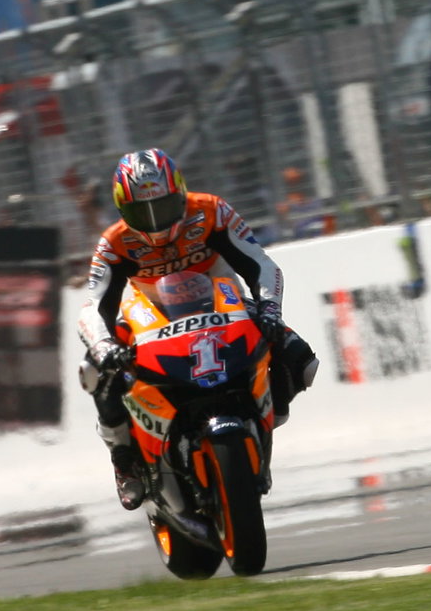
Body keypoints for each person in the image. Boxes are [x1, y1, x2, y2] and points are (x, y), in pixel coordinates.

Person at [76, 148, 320, 510]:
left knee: (301, 358)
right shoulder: (114, 241)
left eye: (164, 207)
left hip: (221, 296)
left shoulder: (211, 211)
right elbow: (92, 307)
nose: (157, 223)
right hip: (147, 308)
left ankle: (268, 413)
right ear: (122, 210)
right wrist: (103, 345)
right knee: (95, 371)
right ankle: (124, 461)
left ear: (180, 193)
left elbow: (260, 265)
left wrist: (269, 308)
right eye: (143, 212)